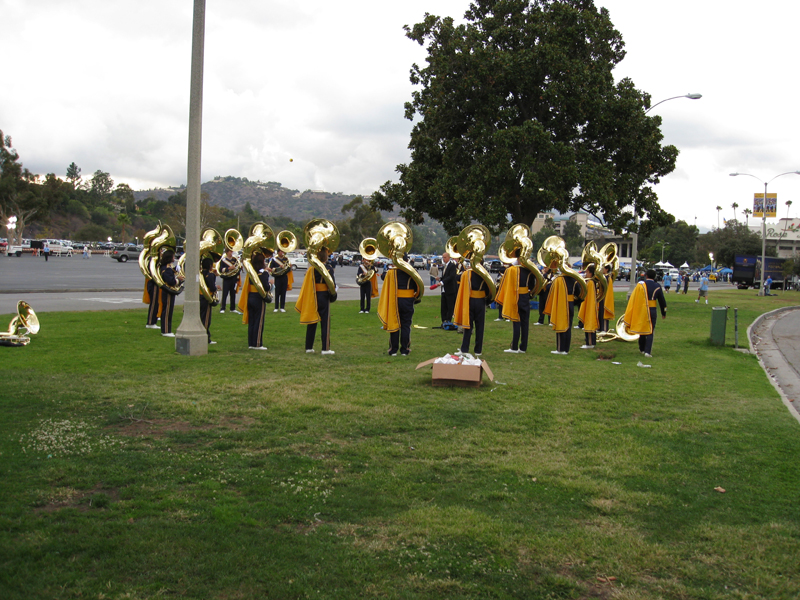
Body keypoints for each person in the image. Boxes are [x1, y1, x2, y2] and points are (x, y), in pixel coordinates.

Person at [295, 247, 336, 355]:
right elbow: (332, 284)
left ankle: (309, 347)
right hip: (324, 295)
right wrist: (333, 295)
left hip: (312, 295)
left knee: (312, 321)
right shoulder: (328, 268)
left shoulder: (311, 269)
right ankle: (325, 348)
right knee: (325, 322)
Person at [378, 258, 419, 356]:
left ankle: (393, 350)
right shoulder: (412, 271)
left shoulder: (392, 272)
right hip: (408, 300)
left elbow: (383, 276)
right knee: (406, 325)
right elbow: (418, 286)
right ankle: (405, 349)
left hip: (395, 300)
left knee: (394, 324)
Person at [624, 269, 667, 358]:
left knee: (642, 329)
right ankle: (648, 351)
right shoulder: (657, 286)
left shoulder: (641, 285)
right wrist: (664, 312)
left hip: (642, 309)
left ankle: (642, 349)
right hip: (652, 309)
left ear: (646, 276)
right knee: (651, 330)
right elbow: (662, 301)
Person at [453, 259, 491, 356]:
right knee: (480, 326)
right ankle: (478, 350)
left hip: (469, 300)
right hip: (481, 300)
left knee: (468, 326)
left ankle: (464, 349)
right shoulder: (485, 274)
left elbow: (457, 278)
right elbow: (489, 289)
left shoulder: (467, 273)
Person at [496, 259, 535, 353]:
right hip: (525, 296)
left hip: (515, 296)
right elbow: (532, 285)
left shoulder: (511, 269)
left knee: (516, 321)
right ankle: (523, 347)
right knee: (525, 322)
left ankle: (514, 346)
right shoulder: (530, 270)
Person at [237, 252, 271, 350]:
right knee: (259, 321)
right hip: (259, 298)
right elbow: (266, 287)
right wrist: (271, 284)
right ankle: (258, 343)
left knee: (251, 322)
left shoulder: (251, 273)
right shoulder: (263, 273)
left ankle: (251, 343)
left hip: (250, 297)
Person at [543, 270, 581, 355]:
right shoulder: (574, 280)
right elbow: (580, 294)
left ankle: (560, 349)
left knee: (560, 325)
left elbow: (549, 289)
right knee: (568, 326)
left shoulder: (558, 279)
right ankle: (566, 349)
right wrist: (573, 302)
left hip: (561, 303)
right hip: (570, 304)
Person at [159, 249, 184, 337]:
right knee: (167, 311)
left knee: (168, 310)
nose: (174, 258)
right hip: (168, 292)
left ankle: (167, 329)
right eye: (173, 256)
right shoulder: (167, 269)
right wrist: (179, 280)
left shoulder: (167, 268)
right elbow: (171, 281)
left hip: (167, 292)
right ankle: (166, 330)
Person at [199, 257, 221, 344]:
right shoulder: (210, 275)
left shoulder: (201, 273)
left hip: (200, 296)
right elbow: (212, 287)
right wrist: (217, 288)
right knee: (206, 319)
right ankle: (205, 338)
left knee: (201, 317)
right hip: (207, 297)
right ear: (210, 266)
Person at [578, 264, 601, 349]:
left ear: (591, 273)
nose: (586, 273)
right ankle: (590, 342)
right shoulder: (591, 281)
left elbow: (588, 295)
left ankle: (590, 343)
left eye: (587, 272)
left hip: (590, 306)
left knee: (589, 322)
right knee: (589, 322)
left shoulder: (590, 282)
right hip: (589, 305)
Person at [218, 249, 242, 314]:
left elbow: (237, 270)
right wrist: (228, 268)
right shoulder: (223, 260)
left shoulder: (235, 260)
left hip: (233, 279)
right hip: (226, 279)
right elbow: (220, 269)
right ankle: (222, 308)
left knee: (233, 294)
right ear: (227, 252)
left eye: (232, 251)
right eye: (230, 251)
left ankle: (232, 308)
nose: (231, 252)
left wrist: (237, 280)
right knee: (225, 294)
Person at [439, 252, 458, 323]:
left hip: (450, 290)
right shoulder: (444, 266)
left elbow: (451, 276)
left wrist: (442, 282)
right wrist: (440, 279)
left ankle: (448, 320)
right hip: (444, 289)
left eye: (445, 257)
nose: (443, 259)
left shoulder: (452, 266)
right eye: (443, 257)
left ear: (448, 257)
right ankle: (443, 320)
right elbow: (445, 277)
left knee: (450, 306)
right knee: (443, 306)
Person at [598, 264, 614, 332]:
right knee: (600, 312)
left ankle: (604, 328)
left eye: (603, 268)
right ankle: (599, 327)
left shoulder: (607, 277)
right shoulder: (603, 276)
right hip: (601, 295)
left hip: (605, 296)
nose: (602, 270)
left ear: (607, 269)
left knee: (604, 312)